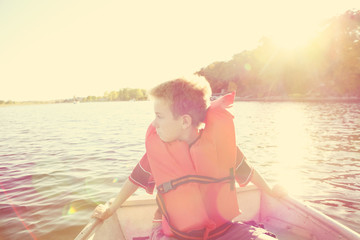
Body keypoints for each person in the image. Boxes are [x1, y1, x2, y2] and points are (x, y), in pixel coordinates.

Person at [92, 77, 287, 240]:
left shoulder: (219, 146)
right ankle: (156, 226)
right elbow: (135, 180)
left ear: (185, 121)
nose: (154, 124)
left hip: (223, 231)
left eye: (159, 116)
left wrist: (270, 190)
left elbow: (248, 171)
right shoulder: (158, 152)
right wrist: (112, 207)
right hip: (176, 235)